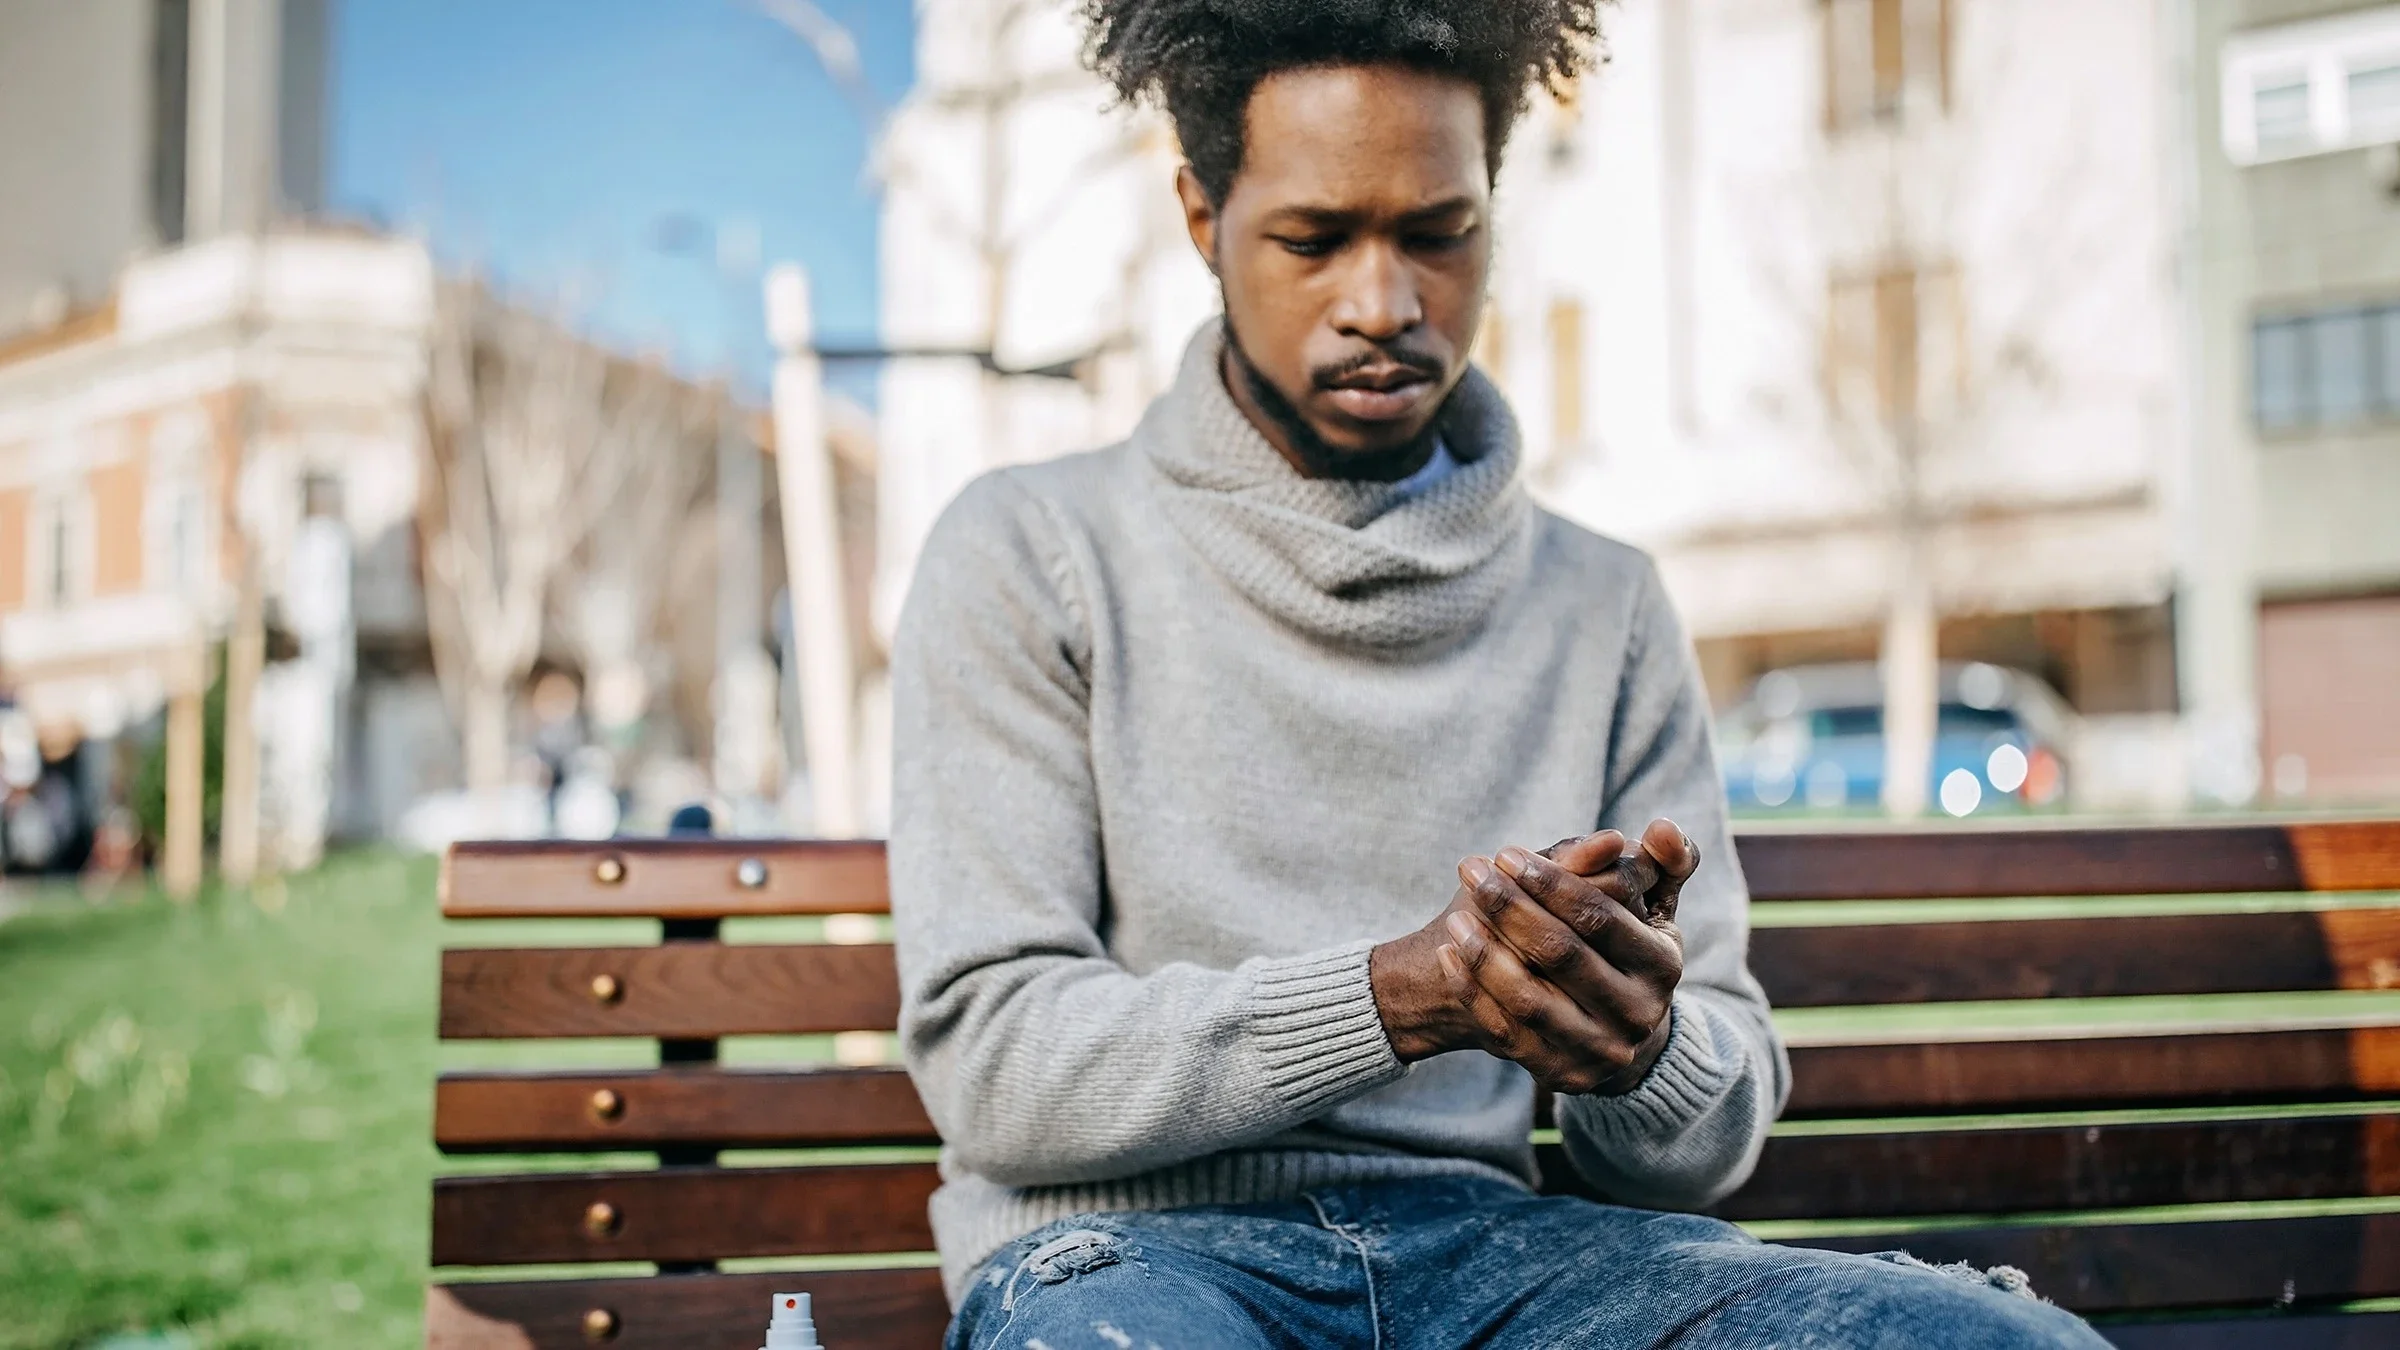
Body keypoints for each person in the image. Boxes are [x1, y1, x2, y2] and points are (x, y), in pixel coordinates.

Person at [888, 2, 2110, 1345]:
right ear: (1203, 219)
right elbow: (995, 1059)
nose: (1384, 305)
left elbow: (1706, 1130)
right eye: (1313, 239)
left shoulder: (1605, 604)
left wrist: (1640, 1047)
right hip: (1134, 1266)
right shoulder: (1032, 554)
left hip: (1504, 1258)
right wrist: (1400, 993)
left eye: (1438, 233)